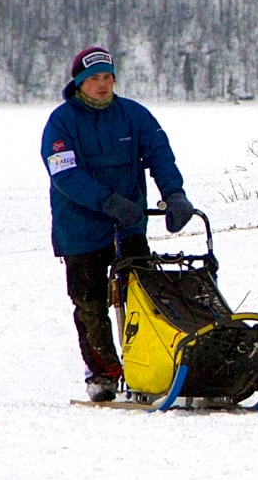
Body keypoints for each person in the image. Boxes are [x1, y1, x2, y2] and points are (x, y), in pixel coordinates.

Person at [40, 46, 195, 402]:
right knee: (90, 305)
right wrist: (106, 201)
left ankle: (148, 365)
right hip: (81, 229)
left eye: (108, 77)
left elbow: (160, 154)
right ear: (79, 82)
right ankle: (103, 374)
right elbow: (65, 175)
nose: (102, 84)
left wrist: (174, 194)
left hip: (129, 226)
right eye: (94, 78)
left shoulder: (133, 115)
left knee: (144, 298)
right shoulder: (61, 122)